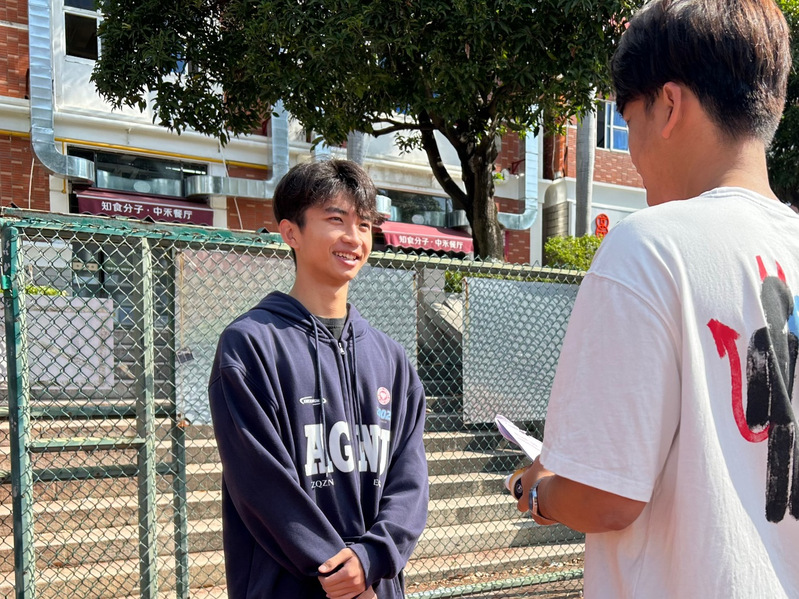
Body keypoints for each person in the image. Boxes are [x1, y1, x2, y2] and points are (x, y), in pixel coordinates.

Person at [516, 0, 799, 596]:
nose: (633, 152)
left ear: (669, 105)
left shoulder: (648, 248)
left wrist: (538, 490)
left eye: (627, 122)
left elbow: (605, 497)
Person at [209, 159, 429, 599]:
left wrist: (372, 558)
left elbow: (411, 480)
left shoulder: (391, 358)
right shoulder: (249, 346)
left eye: (364, 224)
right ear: (291, 232)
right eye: (336, 219)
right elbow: (262, 485)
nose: (354, 238)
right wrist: (342, 575)